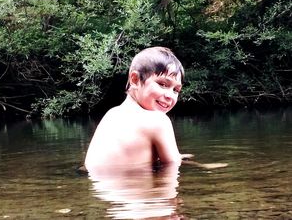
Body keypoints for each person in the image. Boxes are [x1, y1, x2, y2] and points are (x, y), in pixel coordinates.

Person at [84, 46, 227, 173]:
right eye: (163, 84)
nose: (170, 95)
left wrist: (176, 156)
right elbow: (172, 166)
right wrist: (201, 166)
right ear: (135, 80)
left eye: (176, 90)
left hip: (111, 199)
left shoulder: (112, 115)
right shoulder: (158, 121)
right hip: (143, 200)